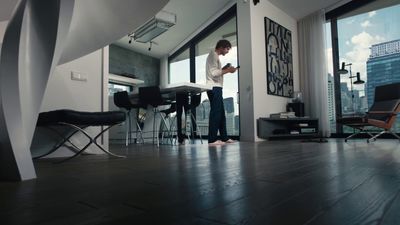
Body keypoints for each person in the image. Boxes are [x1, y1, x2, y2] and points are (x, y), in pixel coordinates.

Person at [206, 39, 237, 145]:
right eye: (227, 49)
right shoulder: (213, 55)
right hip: (214, 87)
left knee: (221, 113)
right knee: (216, 113)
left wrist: (224, 69)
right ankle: (212, 140)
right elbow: (214, 73)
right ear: (222, 47)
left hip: (217, 87)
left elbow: (216, 72)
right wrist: (228, 70)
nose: (227, 51)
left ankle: (224, 137)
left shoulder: (215, 57)